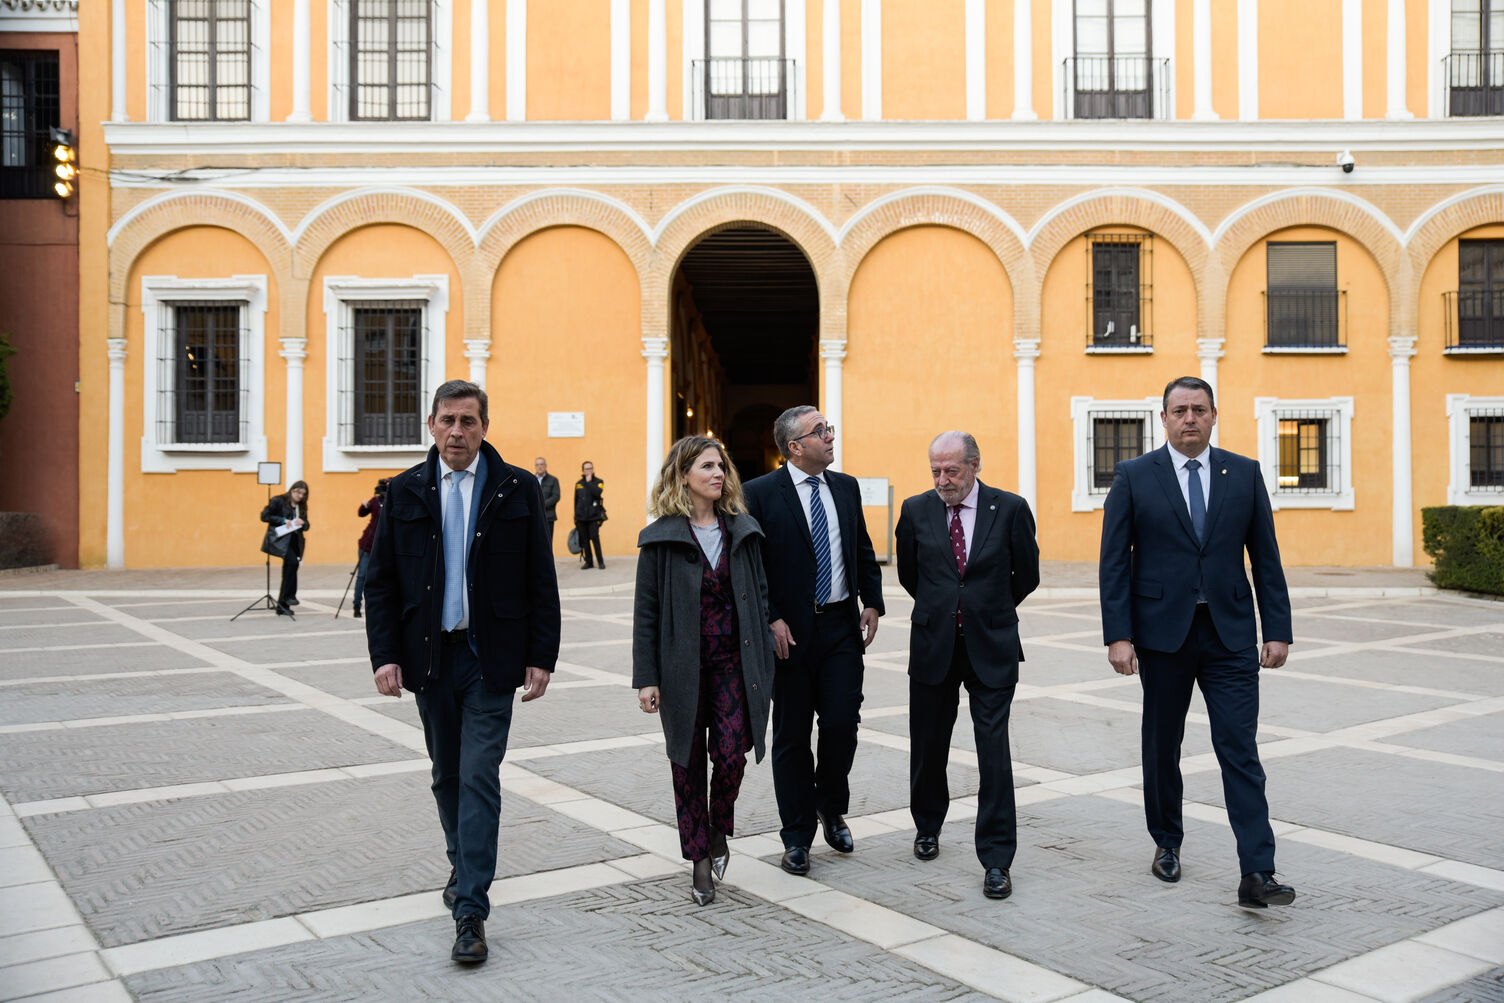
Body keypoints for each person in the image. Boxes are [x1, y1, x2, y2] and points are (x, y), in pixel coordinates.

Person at [364, 379, 560, 964]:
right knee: (446, 774)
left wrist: (542, 655)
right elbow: (381, 582)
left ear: (484, 427)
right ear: (431, 425)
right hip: (428, 656)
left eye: (468, 421)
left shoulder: (516, 488)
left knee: (478, 775)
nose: (457, 431)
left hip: (489, 658)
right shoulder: (403, 490)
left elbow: (540, 578)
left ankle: (471, 909)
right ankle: (461, 862)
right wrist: (384, 655)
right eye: (447, 420)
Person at [1098, 375, 1296, 910]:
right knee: (1162, 745)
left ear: (1213, 416)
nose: (1190, 418)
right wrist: (1119, 635)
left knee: (1240, 749)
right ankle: (1167, 841)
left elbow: (1266, 556)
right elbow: (1114, 562)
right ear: (1163, 418)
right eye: (1180, 410)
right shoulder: (1135, 476)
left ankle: (1258, 870)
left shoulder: (1244, 473)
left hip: (1230, 636)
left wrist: (1277, 628)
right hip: (1163, 636)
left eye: (1199, 409)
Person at [895, 432, 1039, 900]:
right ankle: (927, 826)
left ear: (975, 465)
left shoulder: (1010, 508)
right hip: (933, 643)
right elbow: (910, 575)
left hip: (991, 645)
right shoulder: (915, 510)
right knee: (928, 745)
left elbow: (1027, 574)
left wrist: (985, 608)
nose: (943, 480)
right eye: (935, 471)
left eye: (952, 471)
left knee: (993, 753)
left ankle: (997, 858)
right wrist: (944, 608)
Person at [633, 436, 776, 906]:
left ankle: (717, 830)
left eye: (721, 466)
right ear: (683, 476)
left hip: (735, 662)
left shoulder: (744, 531)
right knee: (687, 763)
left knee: (732, 754)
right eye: (707, 467)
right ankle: (698, 858)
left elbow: (760, 592)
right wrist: (646, 677)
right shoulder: (660, 538)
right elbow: (646, 612)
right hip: (681, 669)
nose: (718, 474)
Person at [742, 406, 883, 877]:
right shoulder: (760, 493)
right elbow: (752, 567)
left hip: (841, 627)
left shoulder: (846, 487)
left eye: (829, 428)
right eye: (820, 431)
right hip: (791, 636)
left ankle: (830, 805)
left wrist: (872, 600)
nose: (830, 436)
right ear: (795, 447)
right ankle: (797, 836)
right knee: (792, 736)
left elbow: (861, 547)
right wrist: (770, 618)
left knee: (843, 723)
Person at [260, 480, 309, 615]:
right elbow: (264, 516)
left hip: (294, 542)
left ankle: (282, 606)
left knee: (289, 569)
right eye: (298, 492)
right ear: (292, 490)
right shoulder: (278, 500)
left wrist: (303, 523)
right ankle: (289, 596)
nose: (300, 496)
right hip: (280, 541)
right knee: (293, 563)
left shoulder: (301, 506)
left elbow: (307, 525)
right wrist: (282, 520)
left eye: (303, 494)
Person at [351, 478, 387, 618]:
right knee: (362, 576)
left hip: (383, 547)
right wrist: (364, 505)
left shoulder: (393, 502)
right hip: (367, 545)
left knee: (381, 577)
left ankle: (377, 605)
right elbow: (361, 513)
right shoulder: (374, 501)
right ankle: (356, 605)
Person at [573, 461, 606, 569]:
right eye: (586, 469)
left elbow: (597, 493)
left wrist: (589, 482)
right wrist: (575, 516)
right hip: (581, 517)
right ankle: (589, 562)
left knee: (595, 539)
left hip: (594, 516)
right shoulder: (578, 484)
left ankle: (600, 562)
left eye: (590, 468)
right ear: (583, 471)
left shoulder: (599, 482)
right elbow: (576, 500)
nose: (589, 470)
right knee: (585, 540)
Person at [535, 457, 561, 548]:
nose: (539, 467)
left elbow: (556, 496)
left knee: (548, 543)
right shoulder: (532, 480)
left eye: (541, 464)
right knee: (535, 542)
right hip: (535, 516)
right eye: (537, 465)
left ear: (545, 466)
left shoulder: (553, 480)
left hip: (548, 517)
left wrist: (541, 505)